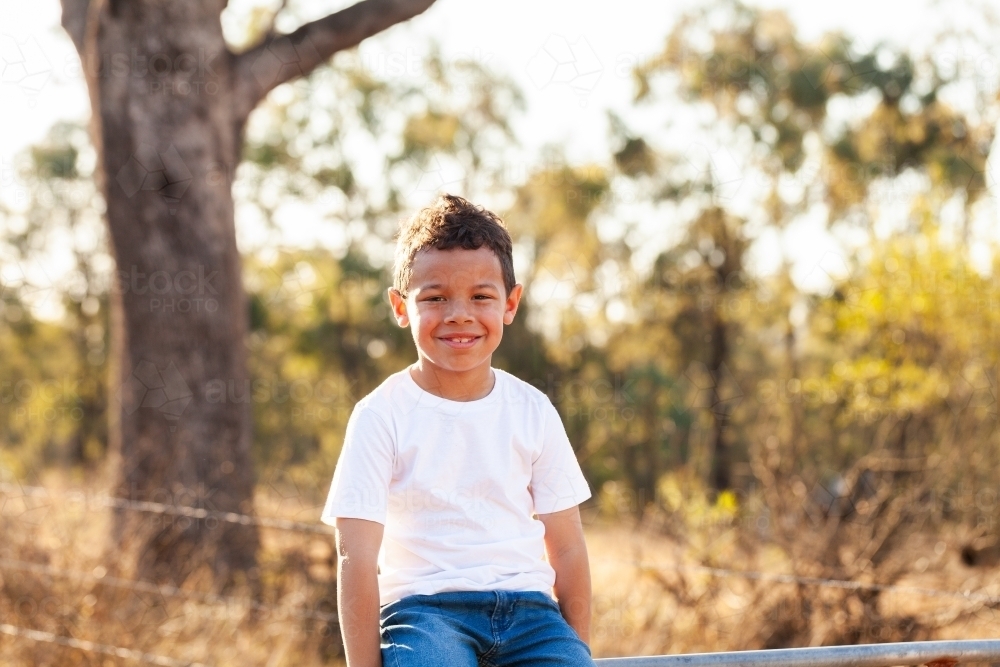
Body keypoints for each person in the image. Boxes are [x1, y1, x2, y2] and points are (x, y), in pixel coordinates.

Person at [321, 194, 595, 667]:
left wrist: (575, 653)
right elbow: (356, 558)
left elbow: (568, 547)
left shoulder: (532, 409)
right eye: (435, 297)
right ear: (400, 307)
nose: (459, 315)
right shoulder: (380, 414)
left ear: (511, 304)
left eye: (481, 297)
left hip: (532, 616)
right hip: (425, 614)